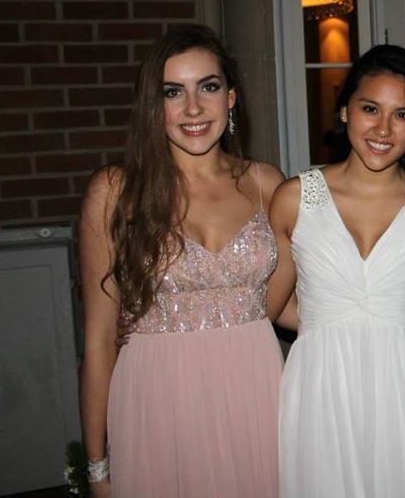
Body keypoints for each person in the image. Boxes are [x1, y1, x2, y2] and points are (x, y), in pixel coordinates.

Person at [267, 45, 405, 498]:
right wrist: (333, 321)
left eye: (402, 115)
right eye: (370, 108)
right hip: (322, 390)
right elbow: (269, 307)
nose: (383, 129)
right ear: (344, 110)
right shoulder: (295, 197)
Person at [79, 25, 285, 497]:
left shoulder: (267, 184)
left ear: (230, 97)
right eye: (174, 92)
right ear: (154, 106)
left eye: (208, 87)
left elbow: (292, 299)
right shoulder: (115, 192)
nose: (193, 108)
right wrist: (97, 467)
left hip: (256, 394)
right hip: (159, 400)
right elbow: (97, 340)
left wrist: (386, 315)